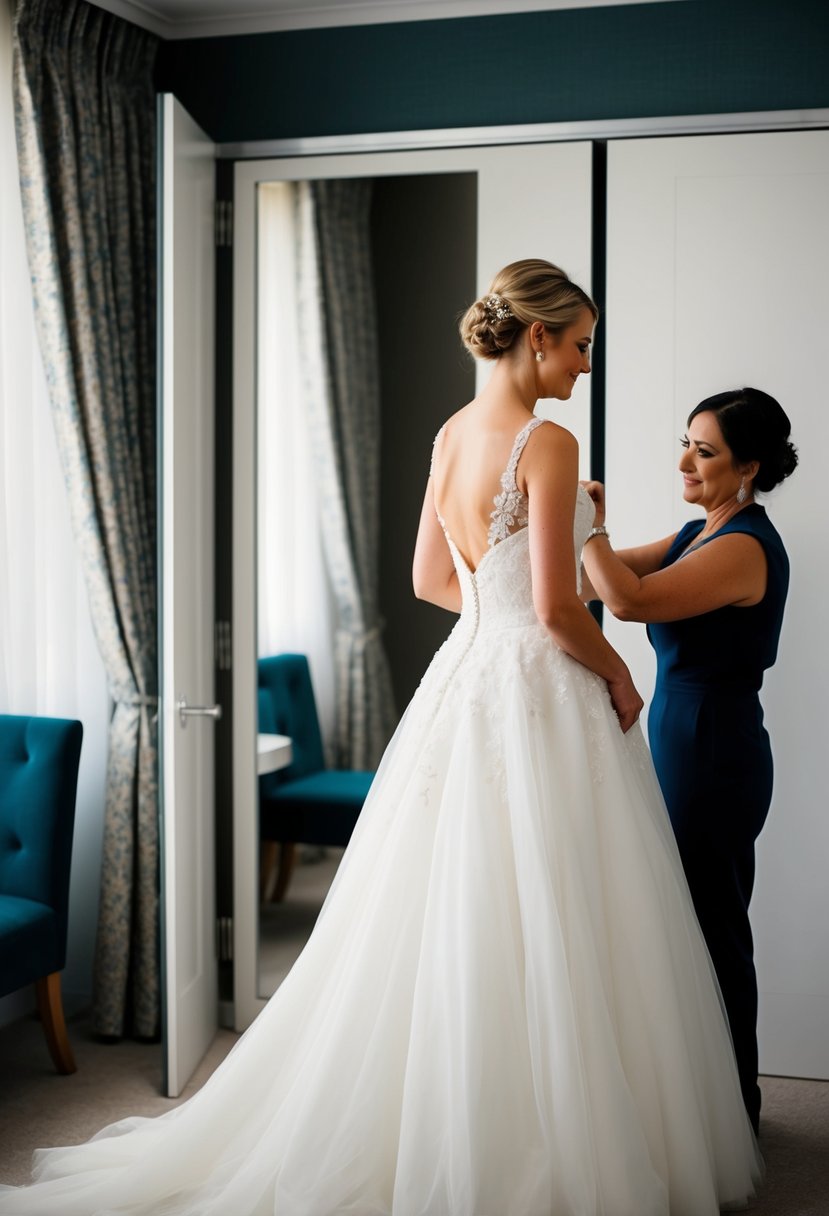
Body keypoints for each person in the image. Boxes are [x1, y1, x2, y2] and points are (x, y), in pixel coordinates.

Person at [0, 262, 762, 1216]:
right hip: (541, 680)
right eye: (580, 345)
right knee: (560, 903)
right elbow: (565, 609)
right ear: (537, 339)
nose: (585, 365)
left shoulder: (451, 434)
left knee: (458, 900)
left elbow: (426, 579)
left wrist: (496, 616)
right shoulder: (549, 442)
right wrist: (616, 675)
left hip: (470, 672)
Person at [580, 386, 797, 1137]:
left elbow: (629, 600)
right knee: (679, 928)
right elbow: (590, 583)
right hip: (681, 736)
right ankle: (698, 1102)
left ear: (749, 467)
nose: (683, 461)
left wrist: (586, 528)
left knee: (711, 931)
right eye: (686, 442)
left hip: (714, 750)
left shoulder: (743, 546)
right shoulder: (696, 532)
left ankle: (735, 1112)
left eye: (703, 451)